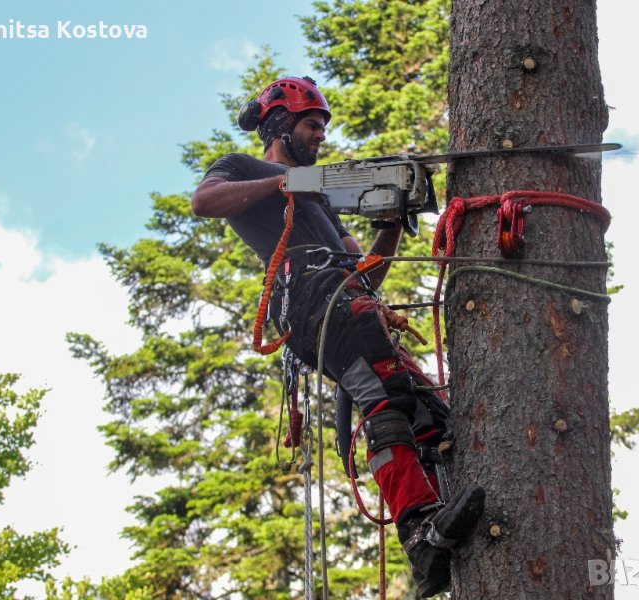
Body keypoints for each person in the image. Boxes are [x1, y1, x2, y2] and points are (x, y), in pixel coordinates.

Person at [192, 76, 484, 597]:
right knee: (384, 399)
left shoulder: (321, 202)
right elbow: (204, 202)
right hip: (309, 303)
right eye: (311, 125)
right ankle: (419, 530)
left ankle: (441, 517)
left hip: (350, 302)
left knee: (431, 412)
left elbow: (364, 273)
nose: (321, 136)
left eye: (323, 127)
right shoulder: (242, 168)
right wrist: (282, 184)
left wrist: (392, 222)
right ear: (278, 124)